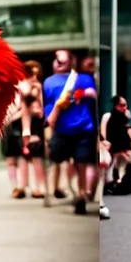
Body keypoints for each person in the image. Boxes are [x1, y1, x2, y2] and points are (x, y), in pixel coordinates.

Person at [45, 48, 100, 214]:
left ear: (71, 61)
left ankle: (81, 195)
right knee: (56, 160)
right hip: (61, 130)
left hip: (83, 129)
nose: (58, 61)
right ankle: (55, 190)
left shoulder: (83, 78)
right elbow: (47, 104)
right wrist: (50, 119)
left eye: (62, 58)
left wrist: (85, 94)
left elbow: (92, 99)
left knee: (81, 163)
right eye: (56, 58)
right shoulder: (49, 82)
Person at [103, 93, 131, 200]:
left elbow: (128, 130)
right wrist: (104, 141)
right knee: (110, 164)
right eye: (122, 105)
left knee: (123, 164)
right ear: (116, 105)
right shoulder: (108, 116)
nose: (124, 107)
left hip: (123, 144)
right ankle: (109, 183)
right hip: (112, 144)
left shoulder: (125, 116)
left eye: (125, 105)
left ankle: (119, 182)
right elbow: (103, 129)